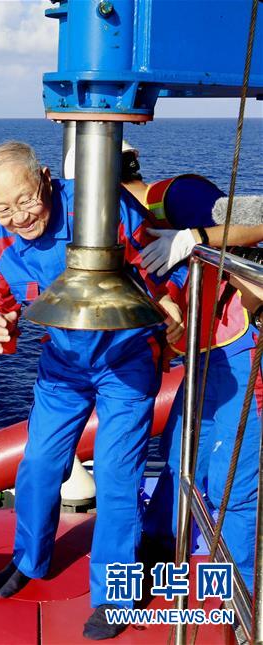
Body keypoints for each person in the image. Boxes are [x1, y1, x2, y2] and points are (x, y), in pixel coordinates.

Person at [0, 141, 185, 640]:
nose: (19, 217)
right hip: (63, 366)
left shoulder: (103, 208)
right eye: (3, 209)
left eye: (26, 200)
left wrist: (172, 303)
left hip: (126, 361)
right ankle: (30, 558)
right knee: (40, 463)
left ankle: (115, 596)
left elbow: (159, 265)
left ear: (46, 178)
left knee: (116, 475)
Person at [115, 153, 263, 594]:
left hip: (245, 347)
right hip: (206, 353)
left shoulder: (178, 196)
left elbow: (258, 218)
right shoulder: (123, 228)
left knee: (233, 478)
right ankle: (159, 548)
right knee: (180, 452)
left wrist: (192, 239)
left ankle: (241, 592)